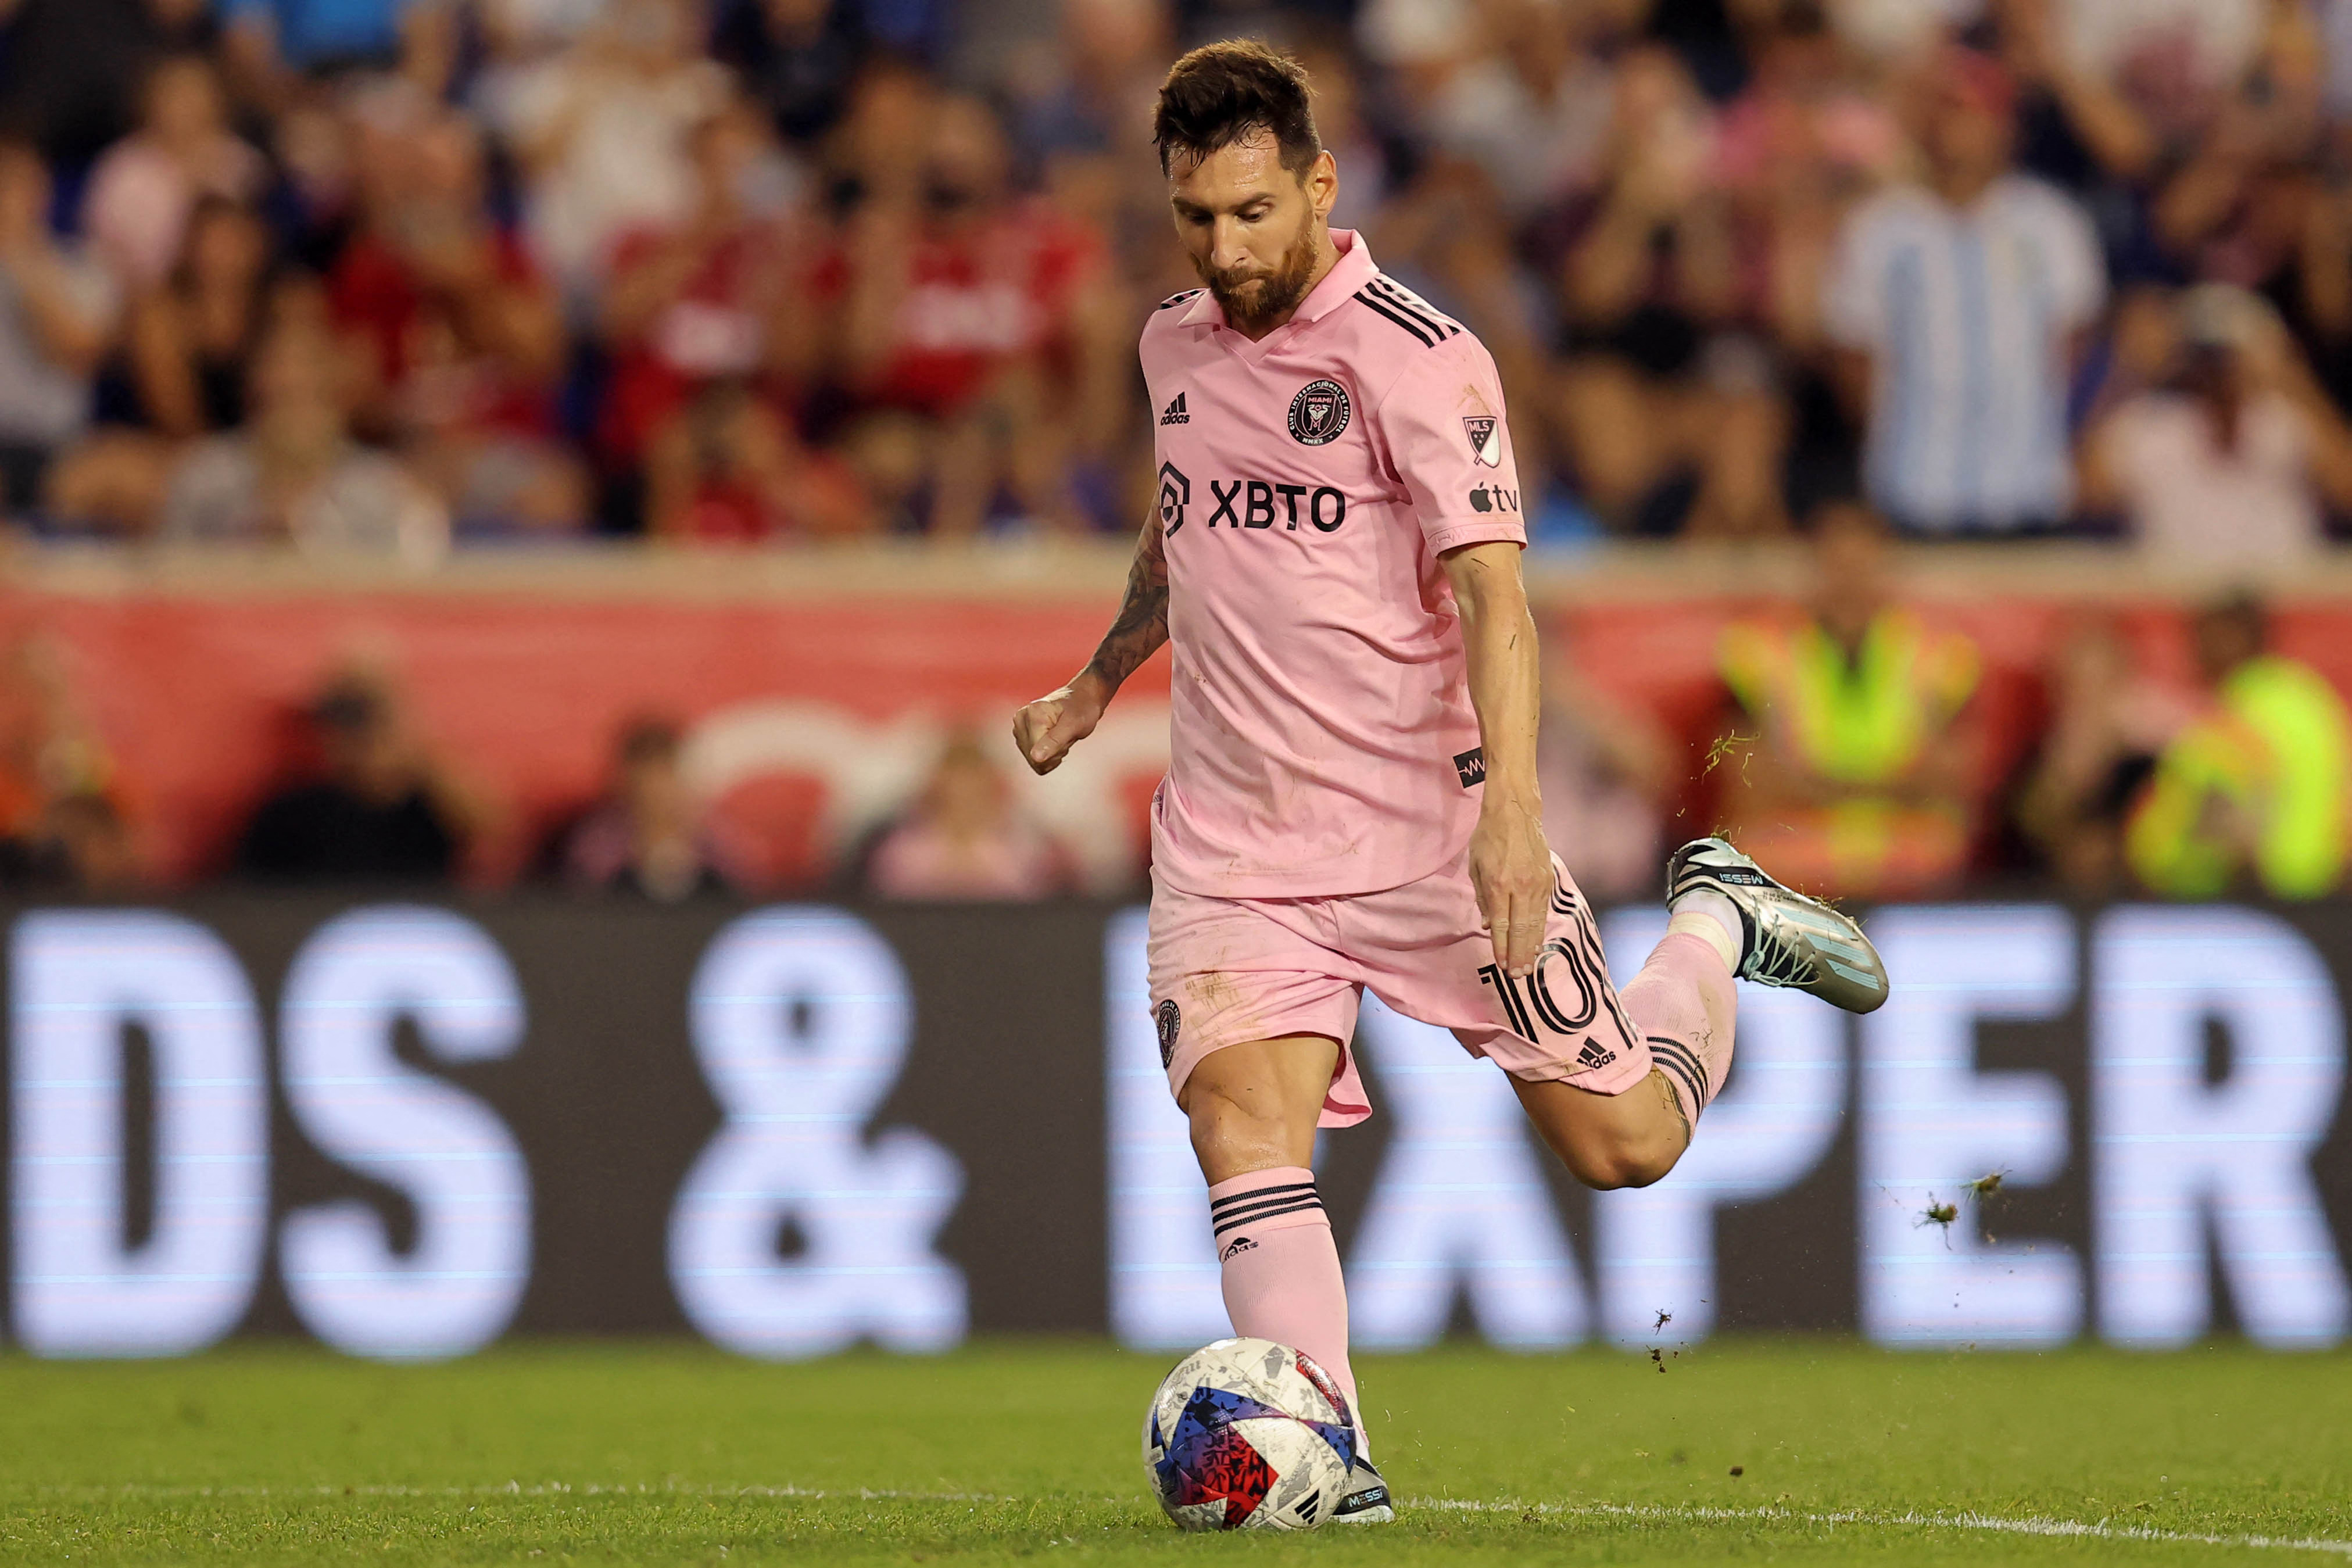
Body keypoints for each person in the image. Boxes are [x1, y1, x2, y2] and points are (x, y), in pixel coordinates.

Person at [1010, 42, 1889, 1525]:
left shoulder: (1421, 357)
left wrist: (1516, 818)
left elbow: (1496, 602)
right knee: (1240, 1123)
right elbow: (1182, 536)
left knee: (1627, 1147)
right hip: (1234, 843)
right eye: (1194, 220)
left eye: (1248, 212)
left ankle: (1716, 927)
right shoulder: (1170, 346)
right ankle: (1326, 1452)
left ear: (1319, 184)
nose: (1223, 251)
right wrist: (1099, 681)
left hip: (1434, 834)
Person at [1823, 46, 2106, 536]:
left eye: (1971, 115)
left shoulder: (2047, 222)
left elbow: (2075, 345)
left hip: (2027, 489)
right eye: (1945, 113)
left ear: (2003, 127)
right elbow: (1853, 356)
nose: (1955, 130)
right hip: (1912, 489)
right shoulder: (1880, 228)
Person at [1716, 502, 1984, 897]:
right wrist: (1885, 786)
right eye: (1836, 564)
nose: (1849, 580)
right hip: (1791, 860)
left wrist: (1818, 785)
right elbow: (1748, 783)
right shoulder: (1757, 652)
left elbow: (1953, 781)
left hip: (1908, 858)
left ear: (1884, 565)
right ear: (1813, 566)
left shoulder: (1940, 652)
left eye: (1861, 564)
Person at [2125, 592, 2352, 901]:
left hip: (2255, 896)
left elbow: (2228, 816)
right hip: (2322, 892)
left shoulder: (2238, 717)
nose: (2196, 654)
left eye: (2203, 639)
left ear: (2235, 637)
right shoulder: (2310, 700)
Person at [237, 667, 487, 883]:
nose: (360, 740)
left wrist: (414, 745)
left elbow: (487, 830)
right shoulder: (290, 814)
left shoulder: (431, 806)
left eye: (373, 723)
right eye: (345, 724)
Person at [865, 730, 1073, 900]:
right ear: (937, 784)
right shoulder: (901, 848)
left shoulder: (1026, 845)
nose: (964, 789)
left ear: (989, 782)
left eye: (972, 776)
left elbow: (1039, 898)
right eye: (956, 777)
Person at [559, 716, 750, 901]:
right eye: (647, 781)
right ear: (625, 784)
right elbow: (582, 904)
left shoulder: (715, 846)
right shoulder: (598, 846)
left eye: (666, 777)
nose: (657, 794)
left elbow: (742, 901)